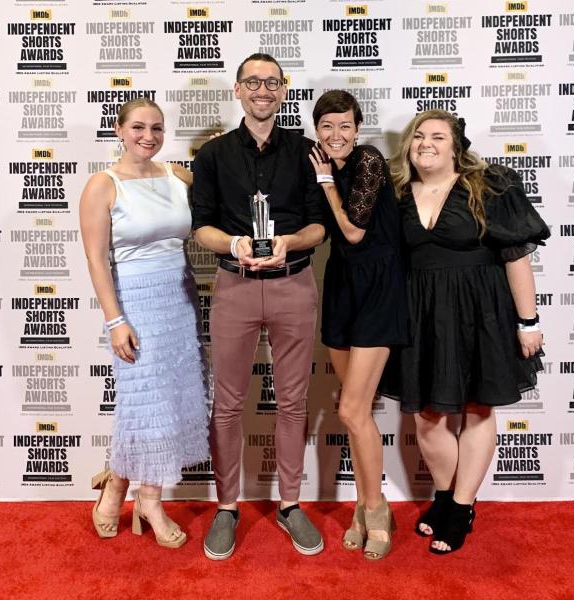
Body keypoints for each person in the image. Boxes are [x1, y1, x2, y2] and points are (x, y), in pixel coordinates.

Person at [382, 109, 549, 554]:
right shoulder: (397, 193)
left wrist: (528, 321)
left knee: (477, 408)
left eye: (438, 136)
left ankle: (461, 506)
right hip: (420, 315)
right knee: (428, 415)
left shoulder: (488, 186)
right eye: (418, 136)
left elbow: (516, 258)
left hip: (481, 312)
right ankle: (443, 496)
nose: (425, 143)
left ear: (456, 147)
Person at [192, 53, 326, 560]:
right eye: (254, 82)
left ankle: (290, 504)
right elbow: (200, 224)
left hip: (294, 284)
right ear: (238, 90)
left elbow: (319, 225)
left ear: (284, 88)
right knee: (227, 403)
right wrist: (230, 244)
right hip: (235, 285)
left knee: (292, 402)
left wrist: (292, 241)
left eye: (272, 82)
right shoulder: (212, 155)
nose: (263, 90)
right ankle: (227, 507)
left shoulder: (306, 151)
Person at [80, 98, 209, 548]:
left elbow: (218, 182)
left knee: (168, 401)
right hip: (134, 301)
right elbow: (97, 260)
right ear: (119, 130)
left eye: (156, 128)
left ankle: (119, 483)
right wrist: (116, 320)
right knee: (143, 403)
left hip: (180, 299)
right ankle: (147, 501)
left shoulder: (175, 175)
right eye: (137, 127)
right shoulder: (103, 184)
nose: (147, 136)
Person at [308, 90, 408, 560]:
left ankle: (374, 509)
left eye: (344, 125)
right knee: (357, 412)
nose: (336, 135)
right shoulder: (321, 160)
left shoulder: (367, 160)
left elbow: (352, 232)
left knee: (349, 410)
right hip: (342, 287)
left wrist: (326, 182)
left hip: (379, 289)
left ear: (358, 126)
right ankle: (365, 508)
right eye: (326, 126)